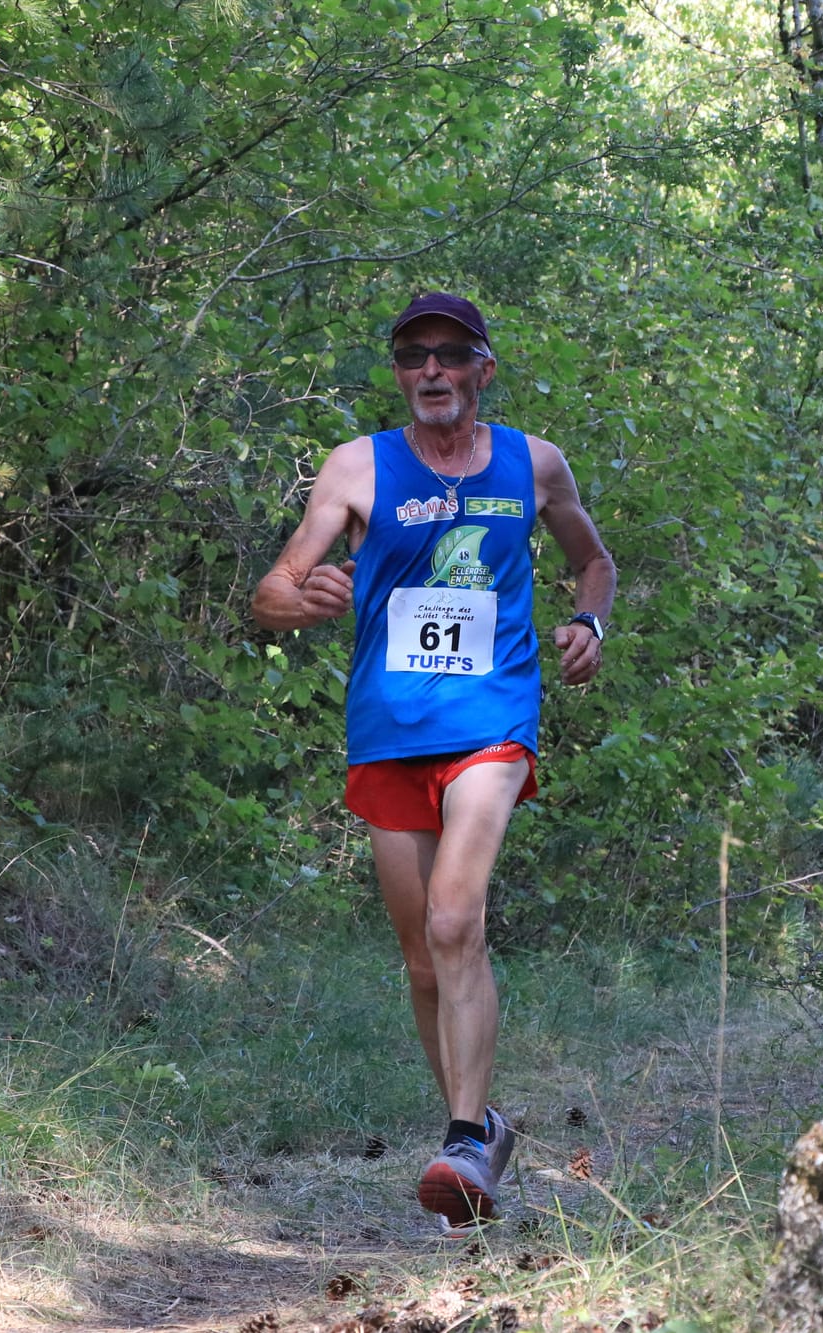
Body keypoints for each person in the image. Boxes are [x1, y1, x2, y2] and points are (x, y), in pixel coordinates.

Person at [250, 292, 615, 1227]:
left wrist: (589, 622)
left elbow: (594, 561)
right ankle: (481, 1126)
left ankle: (458, 1140)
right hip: (389, 728)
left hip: (493, 717)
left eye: (452, 355)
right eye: (414, 357)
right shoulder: (355, 466)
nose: (433, 372)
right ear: (400, 372)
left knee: (458, 917)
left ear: (484, 368)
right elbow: (274, 590)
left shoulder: (534, 463)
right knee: (422, 955)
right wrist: (306, 597)